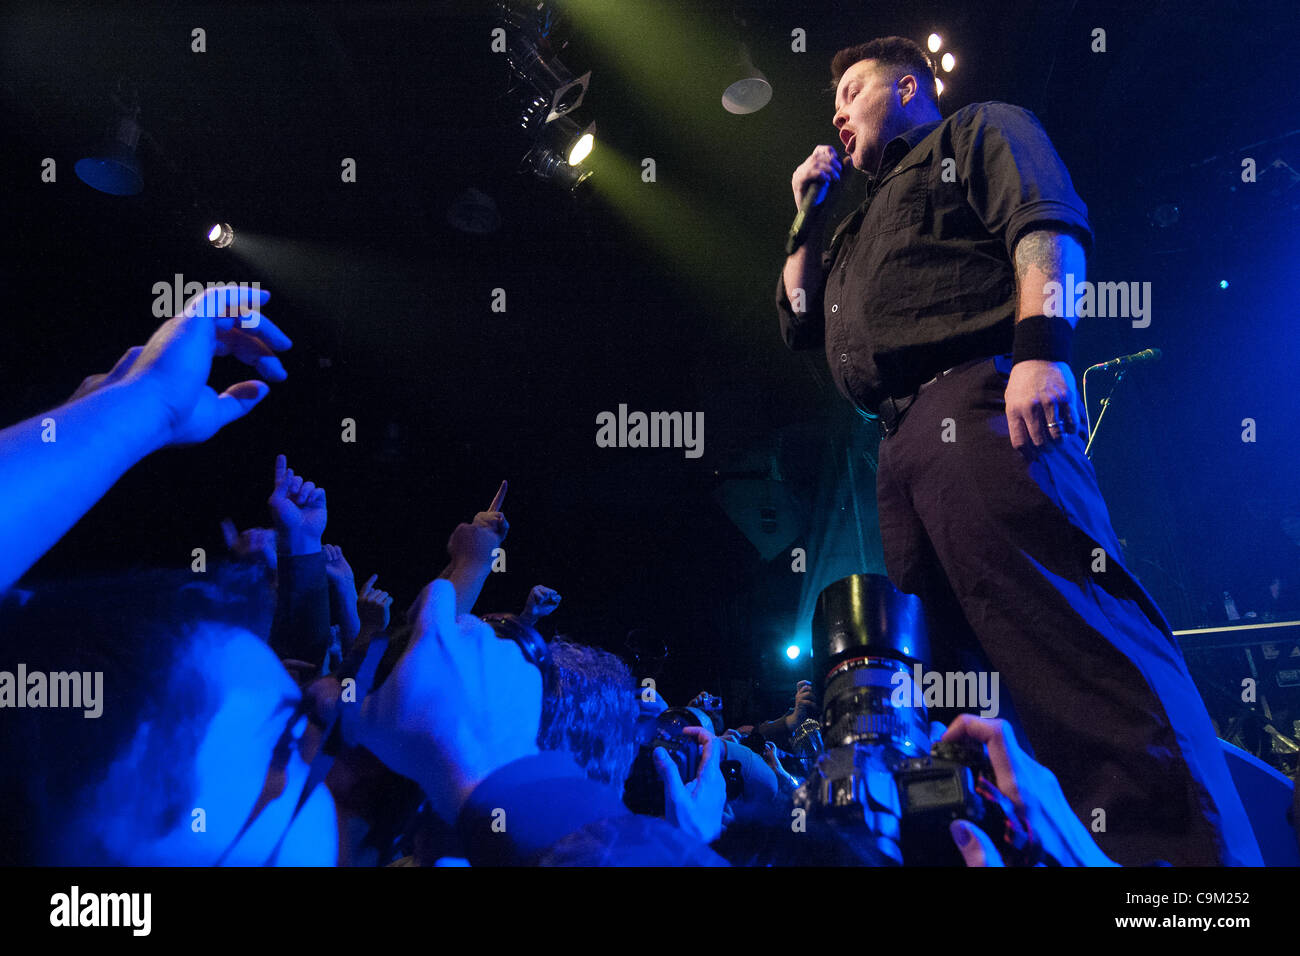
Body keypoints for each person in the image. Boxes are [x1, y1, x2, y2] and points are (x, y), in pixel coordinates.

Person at [775, 36, 1261, 865]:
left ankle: (1193, 880)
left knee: (1074, 640)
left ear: (906, 85)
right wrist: (808, 211)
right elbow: (796, 319)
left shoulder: (976, 132)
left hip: (982, 400)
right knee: (965, 691)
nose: (836, 111)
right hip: (902, 452)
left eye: (851, 90)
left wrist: (1041, 349)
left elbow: (1046, 222)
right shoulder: (850, 221)